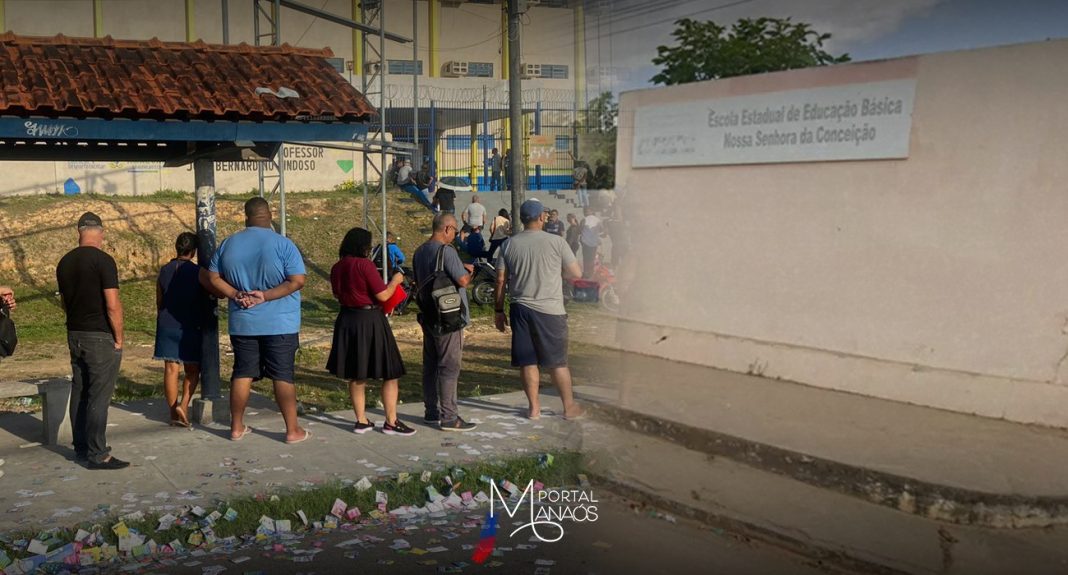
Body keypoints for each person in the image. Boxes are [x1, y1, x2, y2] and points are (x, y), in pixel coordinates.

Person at [202, 197, 311, 444]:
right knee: (282, 375)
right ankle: (293, 430)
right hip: (280, 322)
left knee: (242, 372)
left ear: (246, 216)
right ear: (270, 215)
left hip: (243, 321)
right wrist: (265, 296)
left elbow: (213, 276)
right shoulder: (284, 244)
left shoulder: (229, 243)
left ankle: (236, 427)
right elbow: (297, 280)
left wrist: (235, 294)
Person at [494, 199, 584, 420]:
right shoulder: (557, 242)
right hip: (550, 309)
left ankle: (533, 408)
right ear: (542, 218)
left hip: (520, 308)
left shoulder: (508, 244)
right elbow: (576, 273)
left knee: (528, 360)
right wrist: (557, 274)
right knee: (557, 362)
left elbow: (500, 280)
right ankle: (569, 407)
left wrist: (498, 310)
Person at [326, 227, 416, 436]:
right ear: (362, 246)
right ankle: (391, 421)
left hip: (347, 318)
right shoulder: (364, 264)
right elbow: (383, 295)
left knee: (357, 374)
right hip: (370, 319)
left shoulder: (337, 267)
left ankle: (361, 420)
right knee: (390, 372)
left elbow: (337, 294)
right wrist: (396, 281)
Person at [56, 212, 129, 470]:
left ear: (79, 232)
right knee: (99, 395)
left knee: (80, 390)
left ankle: (81, 447)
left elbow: (65, 302)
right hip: (99, 335)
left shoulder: (64, 262)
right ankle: (98, 453)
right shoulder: (103, 261)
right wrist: (119, 338)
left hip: (74, 333)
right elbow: (112, 305)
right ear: (101, 232)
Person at [413, 214, 478, 432]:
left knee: (430, 366)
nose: (455, 235)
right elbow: (461, 281)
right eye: (455, 230)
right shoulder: (447, 251)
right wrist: (468, 272)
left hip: (429, 315)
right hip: (449, 317)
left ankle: (431, 411)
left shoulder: (420, 251)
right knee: (449, 367)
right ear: (447, 229)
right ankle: (449, 417)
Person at [154, 232, 208, 428]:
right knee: (192, 370)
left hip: (166, 323)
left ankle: (172, 412)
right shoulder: (198, 272)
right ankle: (184, 406)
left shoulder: (164, 270)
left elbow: (159, 300)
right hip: (189, 324)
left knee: (171, 370)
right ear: (193, 252)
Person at [579, 206, 604, 279]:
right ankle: (591, 273)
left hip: (586, 243)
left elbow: (579, 230)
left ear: (590, 211)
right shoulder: (597, 220)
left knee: (586, 259)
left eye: (585, 211)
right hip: (594, 243)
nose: (584, 212)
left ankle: (586, 273)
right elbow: (602, 229)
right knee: (592, 259)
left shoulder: (584, 220)